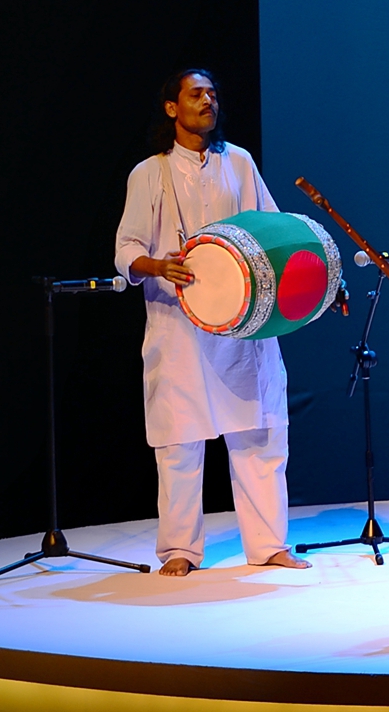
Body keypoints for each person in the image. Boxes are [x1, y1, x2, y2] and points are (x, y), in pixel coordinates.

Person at [115, 69, 310, 577]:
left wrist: (312, 279)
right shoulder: (149, 173)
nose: (208, 101)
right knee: (179, 441)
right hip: (178, 329)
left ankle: (269, 545)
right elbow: (126, 249)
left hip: (244, 327)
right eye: (195, 94)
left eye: (213, 94)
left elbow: (273, 229)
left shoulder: (238, 162)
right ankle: (180, 549)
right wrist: (158, 265)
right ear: (172, 108)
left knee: (260, 433)